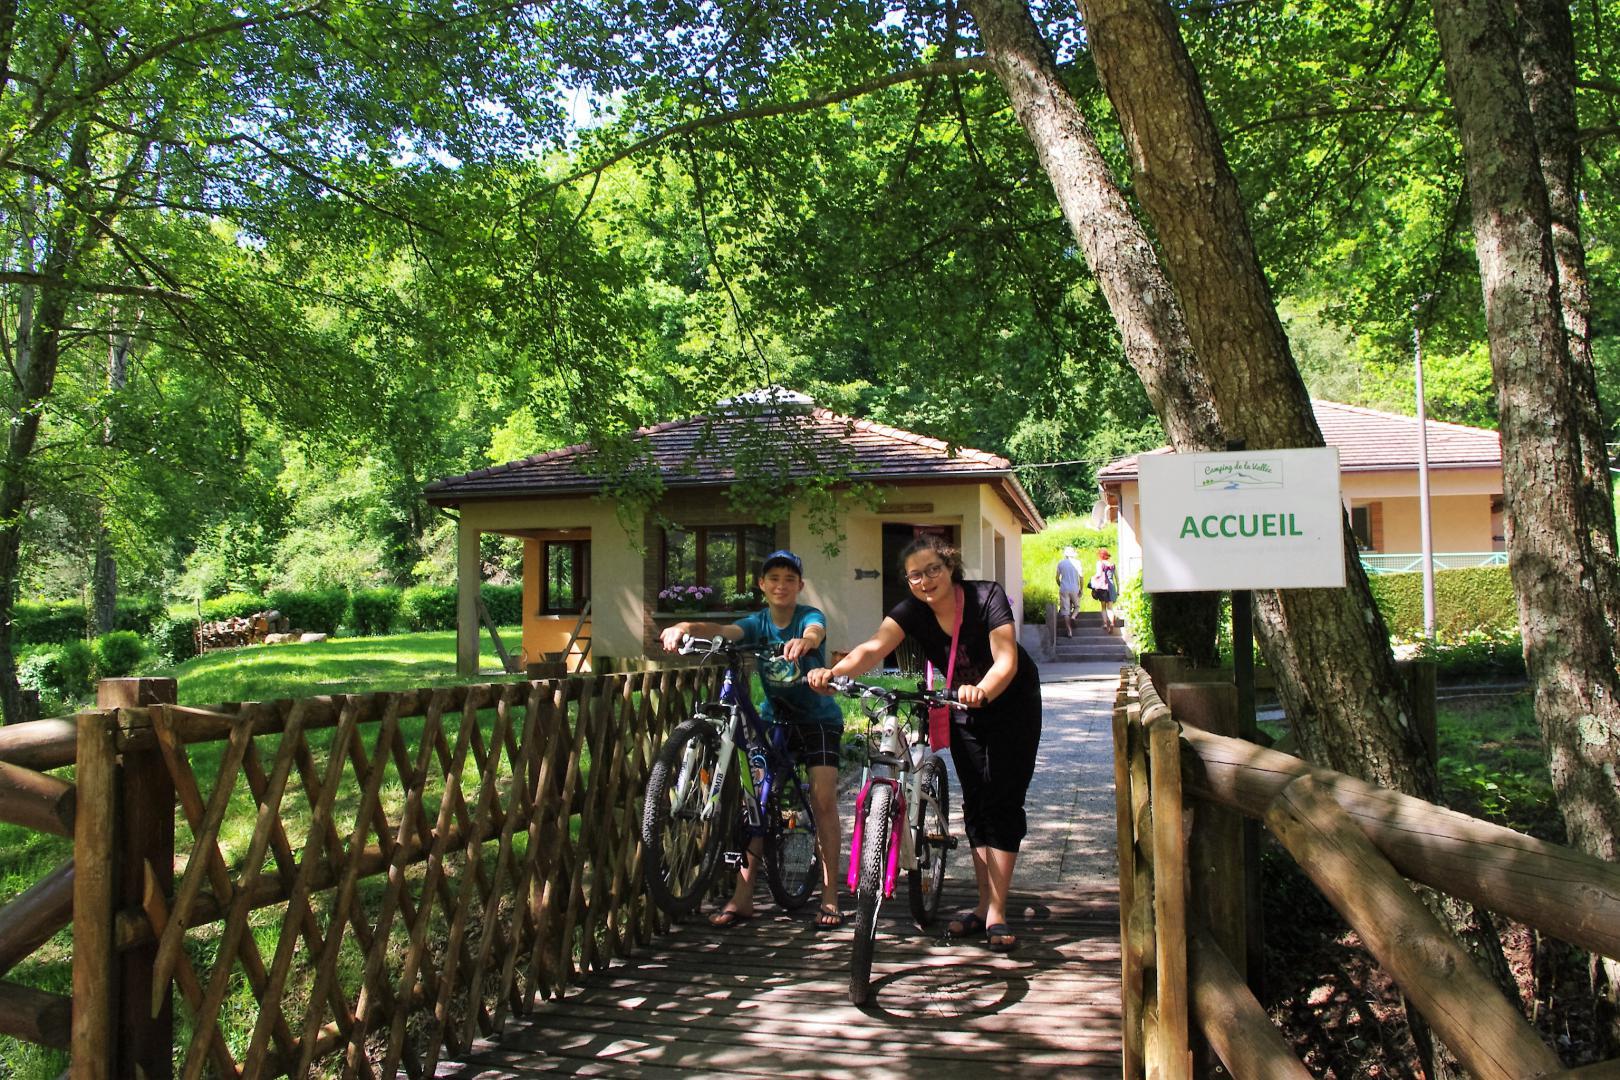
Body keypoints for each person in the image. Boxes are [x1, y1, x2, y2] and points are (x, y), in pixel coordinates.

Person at [808, 533, 1041, 953]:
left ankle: (998, 912)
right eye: (915, 575)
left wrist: (982, 690)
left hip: (1012, 703)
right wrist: (836, 674)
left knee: (1003, 801)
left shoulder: (986, 596)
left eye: (933, 569)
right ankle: (982, 904)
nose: (925, 580)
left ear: (950, 566)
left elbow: (1006, 658)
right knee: (976, 801)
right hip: (962, 705)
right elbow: (874, 648)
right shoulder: (912, 611)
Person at [658, 549, 847, 929]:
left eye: (789, 579)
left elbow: (816, 630)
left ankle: (829, 896)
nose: (781, 585)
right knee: (755, 802)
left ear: (800, 585)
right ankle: (743, 898)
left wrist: (805, 642)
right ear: (762, 584)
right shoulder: (757, 623)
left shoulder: (808, 616)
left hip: (818, 720)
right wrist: (684, 626)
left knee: (823, 800)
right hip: (774, 720)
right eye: (773, 578)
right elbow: (726, 632)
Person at [1055, 546, 1084, 638]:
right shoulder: (1077, 563)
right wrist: (1081, 588)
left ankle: (1069, 630)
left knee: (1065, 610)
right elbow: (1081, 577)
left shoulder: (1061, 563)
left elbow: (1057, 578)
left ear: (1065, 554)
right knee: (1077, 606)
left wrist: (1060, 584)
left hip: (1064, 588)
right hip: (1074, 587)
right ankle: (1073, 617)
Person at [1091, 548, 1119, 632]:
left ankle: (1105, 623)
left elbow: (1098, 574)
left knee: (1103, 607)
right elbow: (1117, 578)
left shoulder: (1100, 563)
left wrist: (1093, 578)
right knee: (1110, 608)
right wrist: (1118, 589)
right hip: (1111, 587)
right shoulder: (1112, 565)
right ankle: (1112, 623)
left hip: (1103, 587)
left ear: (1100, 556)